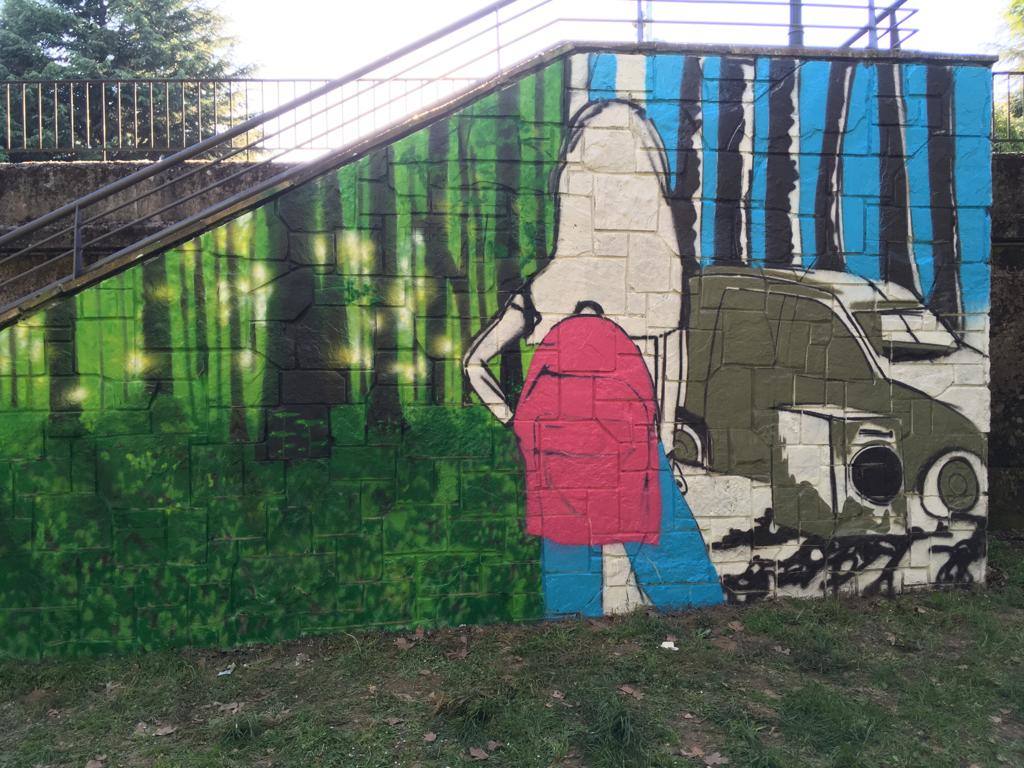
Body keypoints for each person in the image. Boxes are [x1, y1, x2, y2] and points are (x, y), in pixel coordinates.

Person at [463, 99, 722, 616]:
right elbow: (668, 386)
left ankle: (570, 639)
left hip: (558, 452)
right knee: (677, 573)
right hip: (635, 451)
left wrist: (513, 418)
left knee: (569, 571)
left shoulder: (547, 286)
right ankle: (702, 631)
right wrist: (664, 442)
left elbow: (473, 364)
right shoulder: (663, 287)